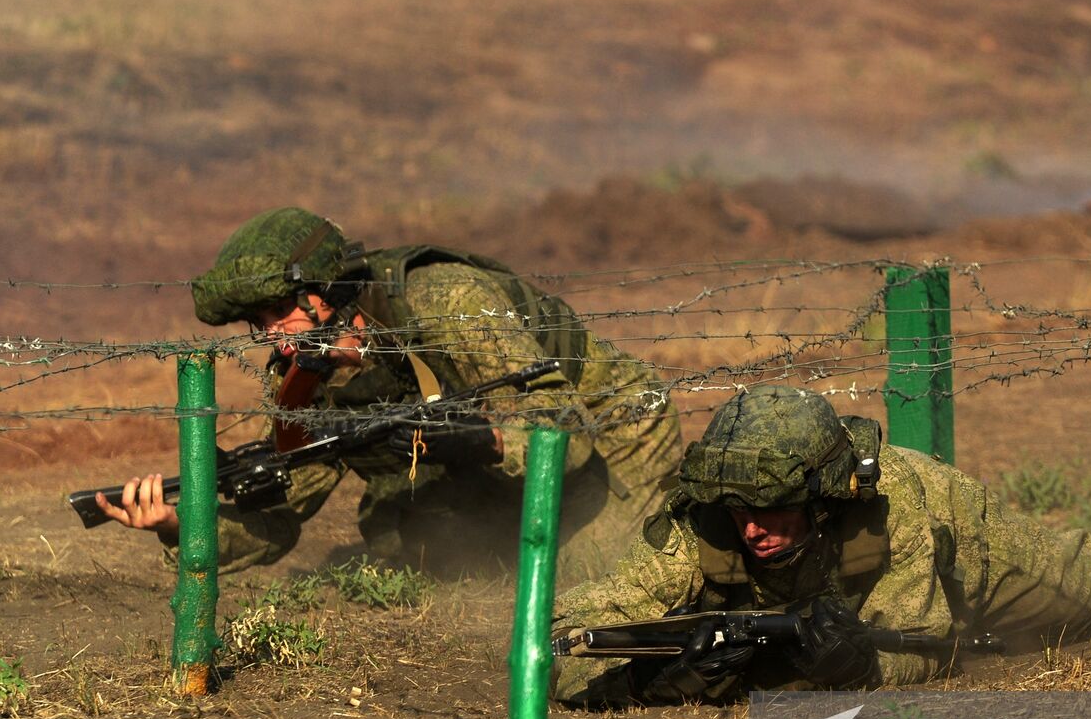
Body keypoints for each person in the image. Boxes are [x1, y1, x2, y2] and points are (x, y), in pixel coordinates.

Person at [551, 386, 1091, 706]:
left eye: (774, 509)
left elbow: (924, 646)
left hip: (976, 552)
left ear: (823, 496)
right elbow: (555, 641)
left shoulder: (900, 507)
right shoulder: (699, 528)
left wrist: (844, 666)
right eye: (737, 511)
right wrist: (647, 677)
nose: (752, 529)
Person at [97, 207, 682, 578]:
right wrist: (181, 524)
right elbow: (281, 512)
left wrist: (473, 442)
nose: (271, 334)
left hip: (614, 432)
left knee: (584, 585)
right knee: (413, 549)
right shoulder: (303, 377)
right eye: (258, 321)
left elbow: (566, 440)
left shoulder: (440, 301)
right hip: (502, 463)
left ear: (326, 293)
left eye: (278, 311)